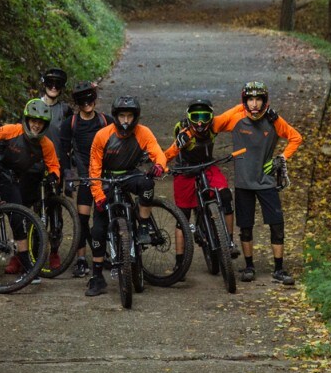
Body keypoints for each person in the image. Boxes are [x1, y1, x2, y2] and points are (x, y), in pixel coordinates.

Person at [0, 98, 62, 276]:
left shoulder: (46, 144)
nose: (36, 125)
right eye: (33, 121)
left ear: (45, 125)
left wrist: (54, 176)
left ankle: (26, 265)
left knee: (18, 219)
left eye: (40, 123)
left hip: (10, 177)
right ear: (27, 119)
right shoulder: (12, 130)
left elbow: (54, 165)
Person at [213, 81, 302, 285]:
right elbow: (213, 124)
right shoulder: (236, 117)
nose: (254, 104)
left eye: (258, 99)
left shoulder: (273, 119)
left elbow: (296, 137)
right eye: (250, 99)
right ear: (245, 101)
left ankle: (279, 269)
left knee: (277, 225)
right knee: (246, 226)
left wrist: (282, 158)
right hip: (244, 182)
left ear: (264, 101)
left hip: (266, 181)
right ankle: (249, 266)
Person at [83, 96, 167, 297]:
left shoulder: (143, 132)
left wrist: (158, 166)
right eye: (122, 116)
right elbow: (94, 170)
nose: (126, 120)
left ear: (135, 117)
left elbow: (158, 153)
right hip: (107, 179)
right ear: (116, 116)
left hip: (131, 174)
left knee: (147, 184)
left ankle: (144, 227)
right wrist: (99, 196)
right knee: (98, 230)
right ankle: (96, 277)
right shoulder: (103, 135)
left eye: (130, 116)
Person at [164, 99, 238, 269]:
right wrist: (159, 165)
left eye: (205, 117)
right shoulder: (183, 131)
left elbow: (233, 112)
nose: (200, 121)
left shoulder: (214, 125)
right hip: (185, 171)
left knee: (226, 196)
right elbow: (169, 154)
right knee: (182, 216)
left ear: (211, 117)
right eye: (195, 116)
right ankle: (179, 261)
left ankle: (229, 242)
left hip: (207, 166)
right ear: (188, 117)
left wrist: (249, 106)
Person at [58, 79, 112, 277]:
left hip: (104, 177)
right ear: (77, 104)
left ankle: (106, 253)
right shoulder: (69, 124)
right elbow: (64, 153)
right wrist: (68, 175)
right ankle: (81, 259)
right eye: (82, 101)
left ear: (95, 100)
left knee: (104, 218)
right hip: (84, 178)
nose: (87, 104)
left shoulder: (107, 121)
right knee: (82, 220)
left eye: (90, 100)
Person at [39, 67, 70, 167]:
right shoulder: (33, 106)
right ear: (44, 84)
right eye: (50, 83)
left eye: (58, 84)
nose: (53, 87)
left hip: (56, 162)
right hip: (34, 162)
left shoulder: (65, 110)